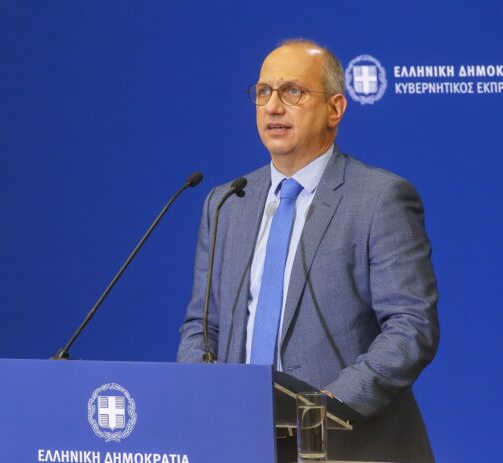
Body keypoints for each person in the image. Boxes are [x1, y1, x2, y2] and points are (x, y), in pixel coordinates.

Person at [177, 39, 440, 463]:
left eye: (292, 92)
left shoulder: (379, 198)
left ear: (335, 108)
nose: (273, 107)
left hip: (348, 444)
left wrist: (327, 406)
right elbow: (202, 327)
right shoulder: (226, 202)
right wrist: (208, 398)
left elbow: (411, 327)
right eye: (263, 92)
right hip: (243, 444)